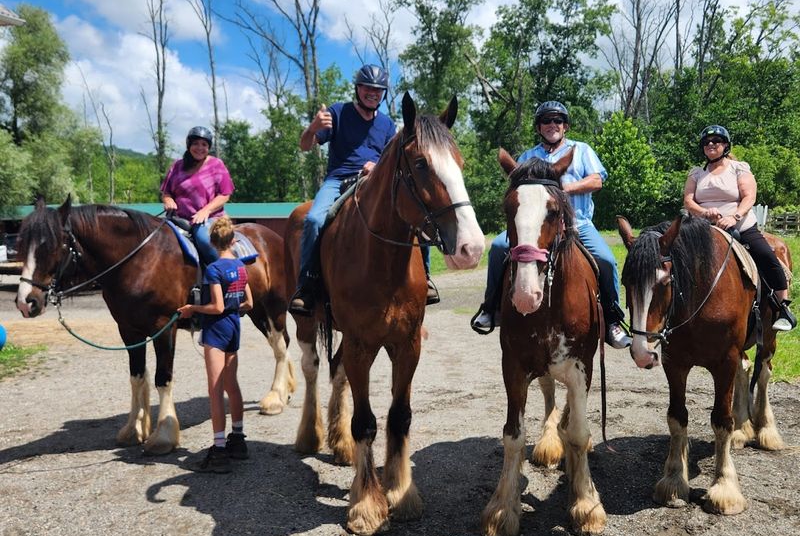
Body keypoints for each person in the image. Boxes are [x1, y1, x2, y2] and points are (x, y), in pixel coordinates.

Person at [472, 101, 632, 349]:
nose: (552, 125)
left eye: (557, 120)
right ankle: (491, 307)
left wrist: (563, 188)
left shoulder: (581, 150)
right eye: (546, 120)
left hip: (577, 223)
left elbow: (597, 180)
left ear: (565, 126)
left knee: (606, 259)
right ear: (538, 127)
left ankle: (613, 319)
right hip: (535, 227)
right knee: (498, 247)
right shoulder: (527, 157)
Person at [289, 63, 438, 315]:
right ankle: (307, 285)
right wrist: (312, 128)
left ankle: (426, 277)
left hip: (376, 180)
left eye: (378, 90)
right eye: (368, 88)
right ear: (358, 89)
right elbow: (305, 146)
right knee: (314, 219)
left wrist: (377, 166)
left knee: (416, 214)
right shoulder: (338, 112)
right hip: (339, 179)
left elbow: (391, 160)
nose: (373, 93)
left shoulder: (388, 125)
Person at [683, 124, 795, 331]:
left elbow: (749, 196)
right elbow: (688, 202)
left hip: (739, 225)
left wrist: (734, 217)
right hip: (700, 228)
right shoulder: (696, 173)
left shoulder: (739, 168)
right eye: (706, 142)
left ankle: (782, 309)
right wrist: (705, 213)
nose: (710, 145)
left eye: (716, 141)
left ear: (725, 145)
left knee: (766, 255)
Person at [178, 216, 254, 473]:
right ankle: (238, 439)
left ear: (212, 243)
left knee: (215, 390)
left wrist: (192, 308)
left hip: (217, 331)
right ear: (233, 241)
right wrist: (234, 307)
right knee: (232, 386)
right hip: (234, 328)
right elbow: (249, 304)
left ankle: (219, 449)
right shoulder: (242, 267)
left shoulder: (213, 269)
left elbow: (217, 306)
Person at [161, 126, 234, 265]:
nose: (199, 148)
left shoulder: (216, 165)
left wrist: (205, 211)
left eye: (204, 144)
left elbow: (225, 194)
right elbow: (166, 192)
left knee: (204, 239)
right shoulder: (177, 166)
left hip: (210, 218)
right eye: (195, 143)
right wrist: (169, 200)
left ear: (209, 147)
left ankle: (226, 273)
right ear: (189, 145)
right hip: (177, 219)